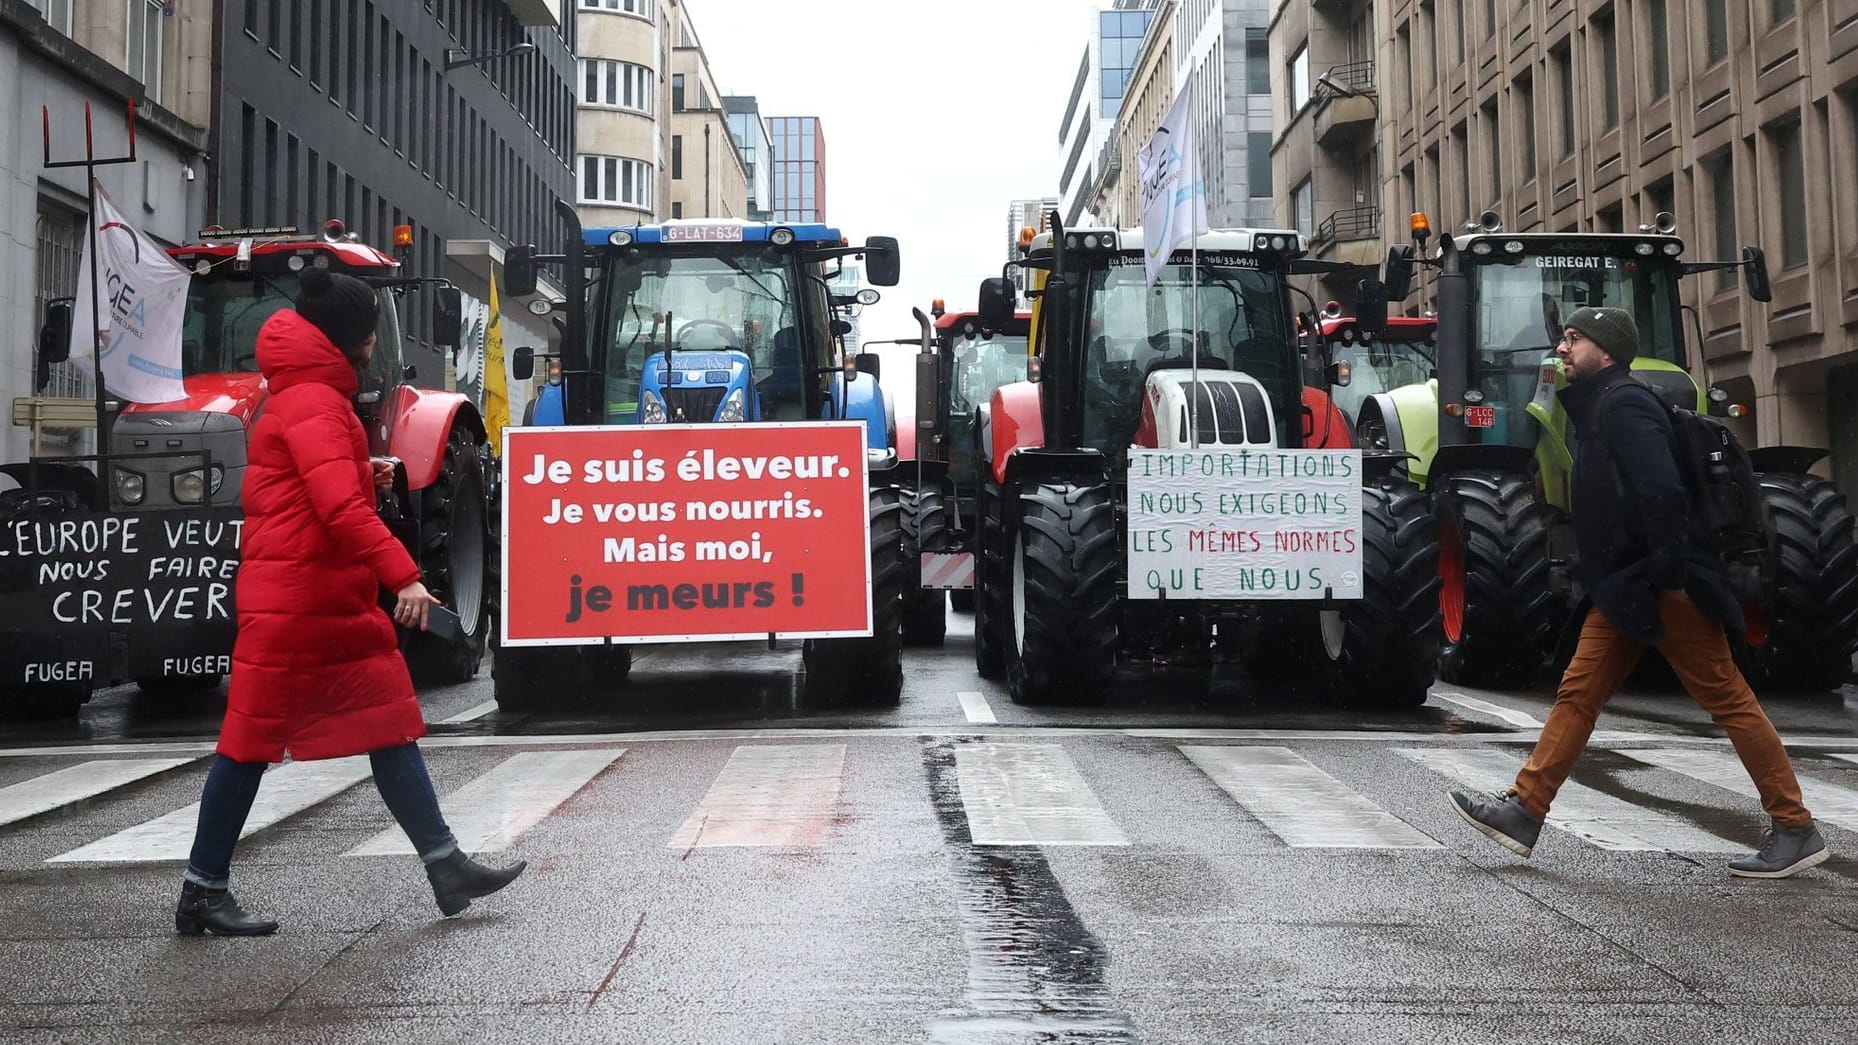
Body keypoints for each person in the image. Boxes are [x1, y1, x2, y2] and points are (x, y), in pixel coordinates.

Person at [174, 267, 525, 936]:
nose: (372, 342)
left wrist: (366, 471)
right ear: (347, 338)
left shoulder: (307, 395)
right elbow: (335, 508)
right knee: (252, 740)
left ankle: (445, 864)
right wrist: (405, 576)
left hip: (313, 595)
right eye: (366, 329)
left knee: (383, 718)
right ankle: (201, 889)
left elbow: (312, 485)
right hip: (302, 599)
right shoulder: (315, 400)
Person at [1448, 306, 1830, 879]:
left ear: (1604, 350)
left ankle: (1795, 827)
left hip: (1657, 584)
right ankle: (1524, 810)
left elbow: (1662, 491)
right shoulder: (1602, 405)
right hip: (1625, 586)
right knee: (1578, 693)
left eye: (1573, 340)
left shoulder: (1624, 403)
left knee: (1726, 697)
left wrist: (1668, 577)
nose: (1562, 349)